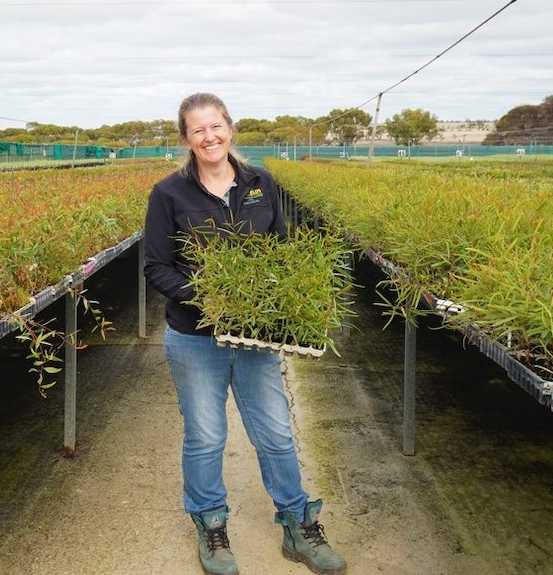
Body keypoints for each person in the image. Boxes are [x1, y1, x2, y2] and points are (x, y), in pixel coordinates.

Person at [143, 92, 348, 575]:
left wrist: (283, 300)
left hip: (256, 338)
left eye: (216, 126)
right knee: (206, 436)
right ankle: (211, 526)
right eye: (198, 130)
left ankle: (299, 524)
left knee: (276, 432)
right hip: (195, 337)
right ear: (186, 139)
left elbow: (281, 251)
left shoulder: (261, 183)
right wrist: (215, 298)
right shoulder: (168, 193)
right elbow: (156, 267)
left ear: (230, 128)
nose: (209, 137)